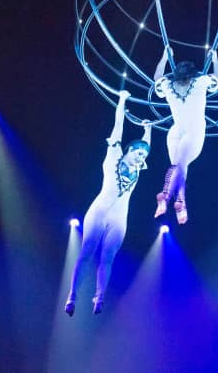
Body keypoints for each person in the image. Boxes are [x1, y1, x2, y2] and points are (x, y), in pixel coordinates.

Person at [64, 90, 151, 316]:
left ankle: (99, 296)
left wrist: (148, 129)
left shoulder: (138, 169)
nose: (142, 157)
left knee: (108, 257)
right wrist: (122, 100)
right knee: (86, 252)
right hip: (100, 211)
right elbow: (118, 125)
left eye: (144, 155)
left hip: (119, 218)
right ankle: (72, 295)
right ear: (129, 150)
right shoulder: (114, 155)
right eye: (139, 153)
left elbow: (147, 144)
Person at [153, 46, 218, 224]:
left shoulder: (168, 86)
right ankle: (169, 196)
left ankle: (174, 199)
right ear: (193, 73)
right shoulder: (201, 82)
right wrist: (215, 59)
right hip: (194, 131)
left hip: (176, 131)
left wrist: (164, 57)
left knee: (178, 166)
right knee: (181, 167)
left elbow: (156, 78)